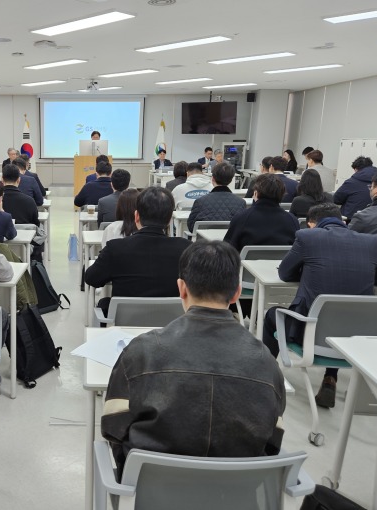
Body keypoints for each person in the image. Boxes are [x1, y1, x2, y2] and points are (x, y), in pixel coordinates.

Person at [102, 240, 285, 480]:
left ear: (182, 288)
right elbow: (273, 440)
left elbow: (112, 426)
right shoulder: (266, 361)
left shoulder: (142, 350)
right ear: (237, 293)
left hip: (156, 486)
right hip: (236, 491)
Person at [262, 203, 377, 408]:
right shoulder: (370, 242)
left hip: (309, 334)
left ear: (312, 224)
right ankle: (330, 378)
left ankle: (266, 377)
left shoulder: (307, 237)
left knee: (272, 315)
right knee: (341, 314)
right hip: (357, 338)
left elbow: (284, 273)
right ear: (342, 220)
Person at [85, 187, 192, 315]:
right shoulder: (187, 249)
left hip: (125, 326)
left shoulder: (115, 248)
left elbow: (91, 278)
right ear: (170, 219)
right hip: (172, 326)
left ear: (136, 216)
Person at [224, 173, 299, 252]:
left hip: (246, 264)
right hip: (281, 264)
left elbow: (228, 251)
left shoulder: (241, 218)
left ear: (256, 193)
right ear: (282, 195)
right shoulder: (292, 220)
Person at [187, 162, 246, 232]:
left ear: (212, 179)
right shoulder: (241, 203)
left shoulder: (200, 201)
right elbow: (242, 227)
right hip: (229, 242)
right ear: (230, 180)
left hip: (205, 242)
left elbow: (191, 227)